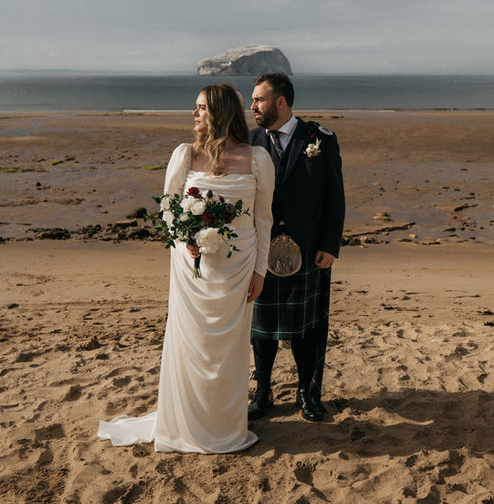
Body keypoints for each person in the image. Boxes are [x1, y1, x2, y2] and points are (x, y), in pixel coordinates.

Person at [98, 84, 274, 453]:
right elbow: (168, 208)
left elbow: (263, 219)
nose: (194, 114)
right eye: (194, 108)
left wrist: (260, 271)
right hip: (192, 267)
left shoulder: (258, 159)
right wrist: (184, 237)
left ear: (221, 112)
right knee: (191, 342)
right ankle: (187, 423)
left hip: (239, 268)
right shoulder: (185, 155)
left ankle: (224, 426)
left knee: (229, 348)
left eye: (201, 108)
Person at [248, 72, 345, 422]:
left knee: (307, 328)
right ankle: (263, 393)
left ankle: (309, 394)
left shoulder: (319, 138)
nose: (252, 105)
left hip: (308, 249)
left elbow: (335, 196)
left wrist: (331, 245)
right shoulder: (250, 140)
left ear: (281, 102)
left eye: (258, 99)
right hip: (260, 249)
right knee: (261, 329)